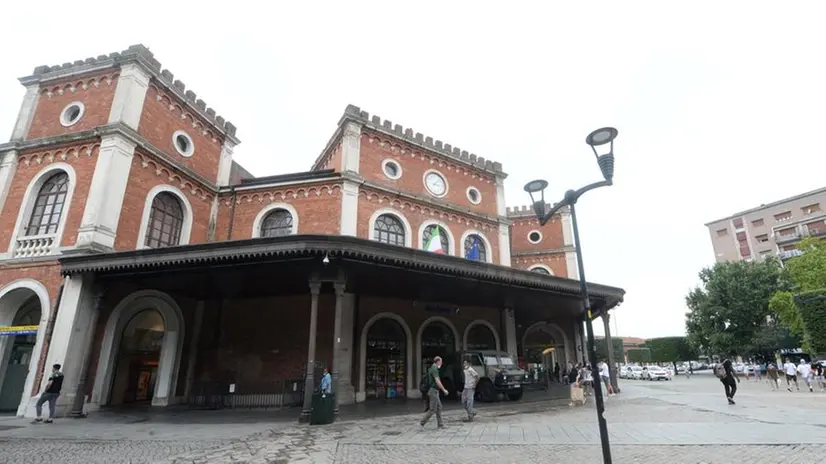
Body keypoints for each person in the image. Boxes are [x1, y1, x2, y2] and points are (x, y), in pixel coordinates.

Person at [420, 356, 449, 429]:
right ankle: (422, 422)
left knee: (439, 407)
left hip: (434, 391)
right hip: (433, 391)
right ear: (438, 361)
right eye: (441, 362)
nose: (441, 364)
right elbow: (437, 381)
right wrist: (444, 389)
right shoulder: (434, 369)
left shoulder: (431, 368)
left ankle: (440, 424)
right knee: (432, 409)